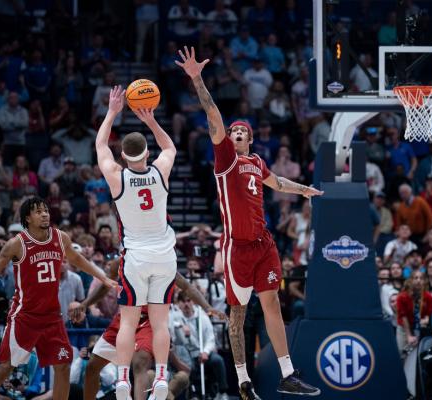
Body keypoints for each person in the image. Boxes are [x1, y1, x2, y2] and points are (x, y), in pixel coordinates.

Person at [176, 46, 321, 399]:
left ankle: (287, 373)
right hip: (236, 247)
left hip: (264, 244)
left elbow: (278, 184)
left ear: (251, 139)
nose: (236, 133)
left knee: (272, 303)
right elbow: (212, 114)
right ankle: (242, 379)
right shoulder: (225, 157)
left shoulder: (257, 163)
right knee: (237, 315)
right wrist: (197, 79)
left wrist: (304, 190)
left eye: (242, 131)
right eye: (234, 131)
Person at [0, 197, 117, 400]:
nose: (44, 214)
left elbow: (77, 259)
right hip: (25, 316)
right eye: (38, 211)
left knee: (63, 365)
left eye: (46, 211)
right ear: (27, 218)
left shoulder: (60, 237)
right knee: (5, 367)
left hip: (52, 317)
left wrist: (102, 276)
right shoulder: (17, 244)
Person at [95, 86, 177, 400]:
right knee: (160, 323)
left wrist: (113, 111)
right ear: (146, 153)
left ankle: (122, 382)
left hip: (136, 259)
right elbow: (169, 148)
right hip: (164, 257)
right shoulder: (160, 172)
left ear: (124, 155)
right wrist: (152, 121)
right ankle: (160, 379)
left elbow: (101, 144)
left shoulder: (117, 175)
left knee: (128, 321)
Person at [75, 266, 226, 400]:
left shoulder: (163, 262)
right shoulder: (122, 260)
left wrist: (207, 307)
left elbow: (186, 286)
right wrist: (85, 304)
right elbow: (105, 286)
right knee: (92, 366)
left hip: (150, 320)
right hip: (124, 319)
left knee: (141, 364)